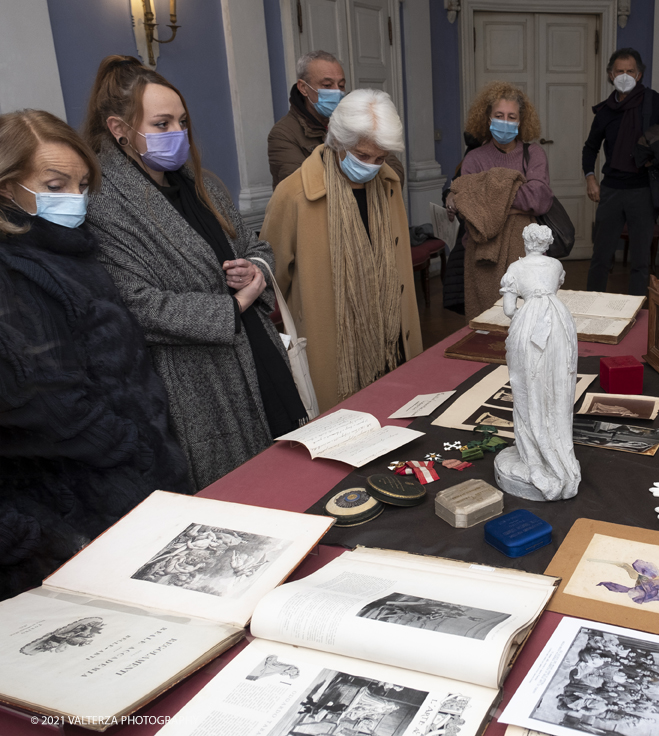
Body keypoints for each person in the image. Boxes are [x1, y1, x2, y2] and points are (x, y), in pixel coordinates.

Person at [83, 55, 307, 491]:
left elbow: (255, 244)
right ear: (119, 129)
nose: (178, 134)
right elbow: (134, 304)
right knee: (238, 490)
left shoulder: (199, 182)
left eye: (182, 122)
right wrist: (229, 306)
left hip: (257, 351)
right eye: (162, 124)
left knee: (288, 470)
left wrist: (256, 272)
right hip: (195, 377)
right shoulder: (105, 201)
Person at [0, 109, 189, 600]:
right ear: (6, 186)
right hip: (85, 499)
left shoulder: (64, 249)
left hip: (121, 481)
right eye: (55, 183)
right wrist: (139, 449)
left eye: (82, 184)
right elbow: (52, 406)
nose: (74, 199)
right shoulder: (12, 271)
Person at [262, 88, 423, 412]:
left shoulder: (388, 185)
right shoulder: (293, 193)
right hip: (331, 345)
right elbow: (271, 275)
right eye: (362, 155)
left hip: (393, 344)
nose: (372, 166)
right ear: (337, 141)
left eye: (380, 158)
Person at [584, 48, 659, 296]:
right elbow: (590, 148)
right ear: (611, 75)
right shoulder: (605, 111)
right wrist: (590, 177)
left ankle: (636, 315)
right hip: (611, 189)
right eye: (619, 71)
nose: (624, 75)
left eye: (630, 71)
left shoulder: (656, 103)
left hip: (643, 190)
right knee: (600, 257)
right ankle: (589, 306)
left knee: (641, 262)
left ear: (639, 74)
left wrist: (658, 156)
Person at [446, 81, 553, 318]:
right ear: (488, 118)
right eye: (499, 115)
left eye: (511, 116)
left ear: (520, 121)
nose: (505, 121)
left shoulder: (533, 153)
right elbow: (469, 208)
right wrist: (514, 194)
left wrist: (487, 195)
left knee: (530, 319)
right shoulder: (474, 159)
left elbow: (540, 198)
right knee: (487, 322)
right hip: (481, 254)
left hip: (526, 252)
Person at [493, 224, 581, 502]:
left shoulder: (516, 268)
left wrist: (522, 314)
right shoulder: (555, 265)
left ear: (525, 242)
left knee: (527, 388)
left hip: (529, 323)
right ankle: (558, 455)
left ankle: (535, 461)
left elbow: (508, 309)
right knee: (557, 385)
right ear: (548, 243)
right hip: (559, 323)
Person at [268, 50, 404, 189]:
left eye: (341, 85)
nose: (337, 92)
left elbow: (395, 175)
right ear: (303, 88)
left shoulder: (358, 116)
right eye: (327, 85)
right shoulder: (283, 133)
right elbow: (299, 189)